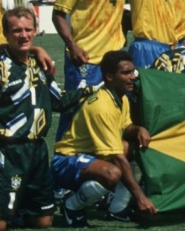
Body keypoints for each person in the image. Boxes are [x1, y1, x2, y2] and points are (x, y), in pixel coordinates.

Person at [0, 8, 95, 231]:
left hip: (37, 152)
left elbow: (58, 100)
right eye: (16, 31)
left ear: (35, 31)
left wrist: (91, 90)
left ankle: (13, 210)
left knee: (43, 221)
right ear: (5, 34)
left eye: (27, 30)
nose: (23, 35)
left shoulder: (40, 65)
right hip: (7, 152)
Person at [53, 51, 158, 226]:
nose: (133, 77)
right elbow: (117, 157)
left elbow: (125, 127)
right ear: (109, 77)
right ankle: (71, 206)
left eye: (133, 72)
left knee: (136, 146)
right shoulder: (102, 107)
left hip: (89, 154)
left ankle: (118, 208)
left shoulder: (120, 97)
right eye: (126, 73)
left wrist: (139, 129)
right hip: (66, 161)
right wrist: (141, 197)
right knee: (112, 173)